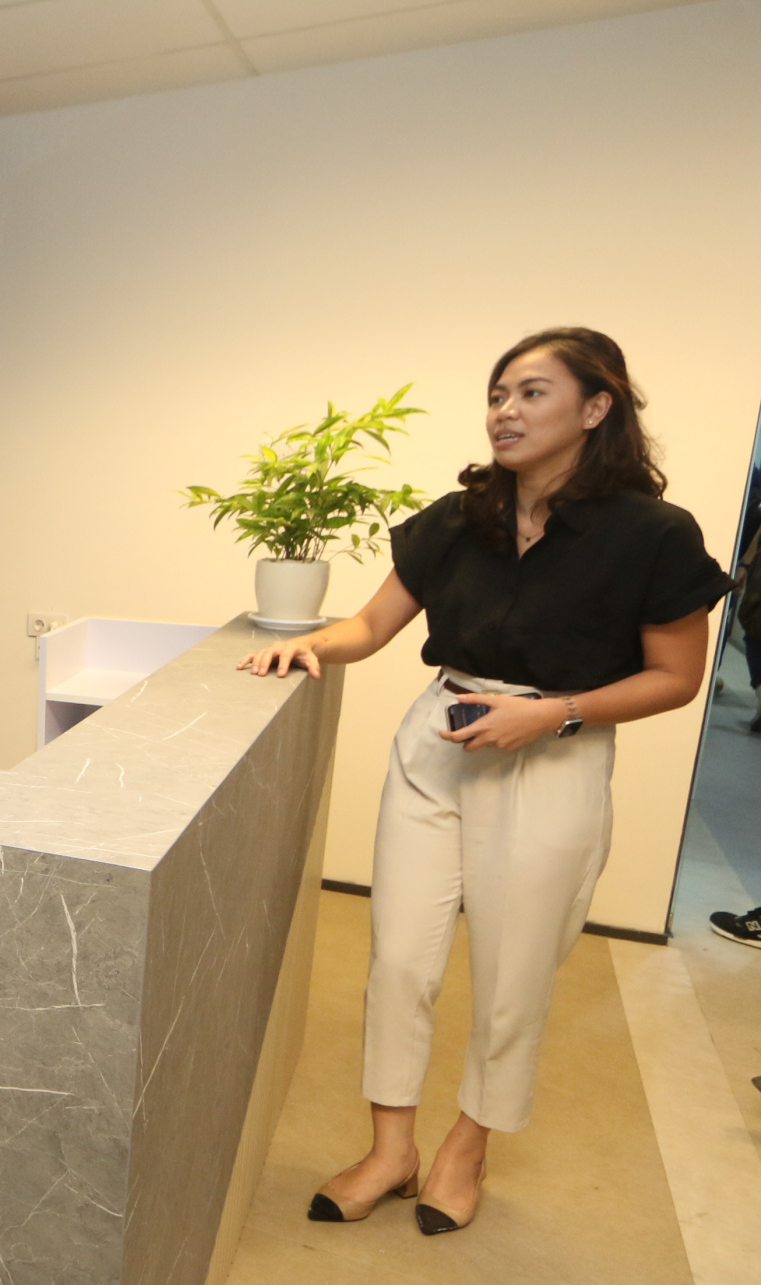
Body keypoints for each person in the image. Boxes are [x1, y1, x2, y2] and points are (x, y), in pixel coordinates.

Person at [242, 328, 730, 1236]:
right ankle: (391, 1149)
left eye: (531, 393)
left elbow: (676, 677)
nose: (505, 410)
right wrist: (306, 644)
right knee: (398, 958)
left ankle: (467, 1146)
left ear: (596, 408)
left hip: (553, 750)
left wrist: (552, 714)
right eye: (498, 393)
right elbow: (371, 625)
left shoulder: (654, 534)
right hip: (438, 742)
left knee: (514, 972)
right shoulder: (458, 518)